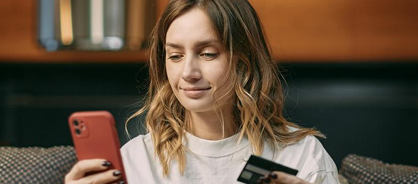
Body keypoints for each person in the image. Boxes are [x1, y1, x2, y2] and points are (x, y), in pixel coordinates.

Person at [65, 0, 340, 183]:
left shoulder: (301, 155)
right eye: (175, 56)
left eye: (207, 54)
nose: (188, 72)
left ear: (243, 61)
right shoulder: (135, 161)